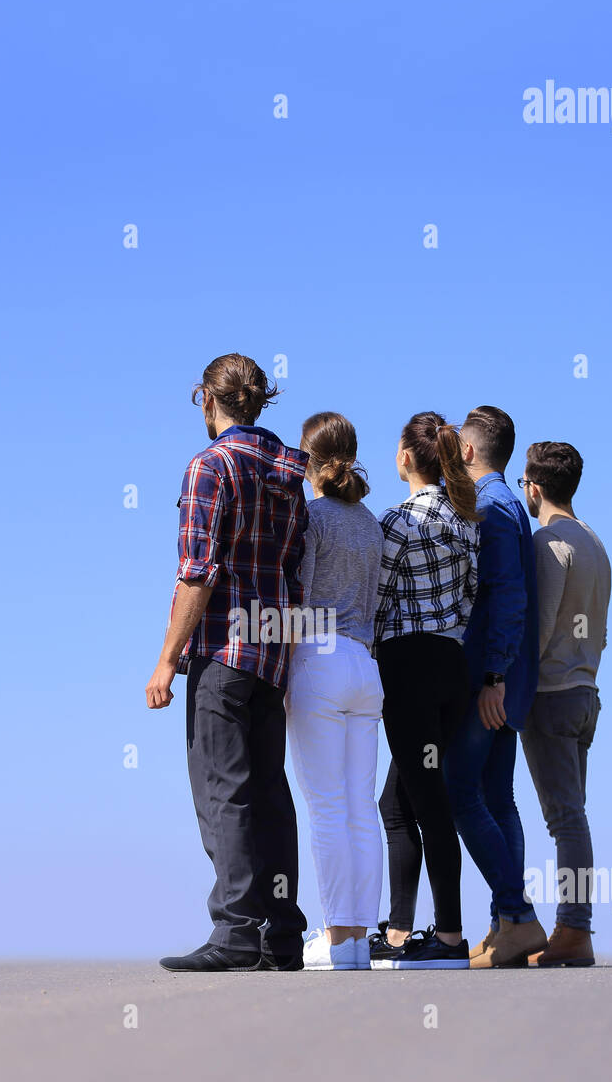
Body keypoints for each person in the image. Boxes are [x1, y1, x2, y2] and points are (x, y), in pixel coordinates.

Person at [146, 353, 309, 972]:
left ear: (205, 399)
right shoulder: (290, 469)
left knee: (224, 795)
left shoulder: (210, 467)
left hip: (222, 652)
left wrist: (166, 662)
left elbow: (197, 573)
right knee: (270, 794)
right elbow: (294, 569)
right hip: (272, 653)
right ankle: (281, 934)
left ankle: (236, 930)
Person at [369, 413, 479, 969]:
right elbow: (470, 596)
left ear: (406, 458)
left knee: (429, 804)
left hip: (408, 665)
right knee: (399, 801)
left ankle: (451, 938)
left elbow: (377, 599)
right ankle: (398, 932)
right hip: (452, 665)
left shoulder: (395, 522)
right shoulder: (466, 519)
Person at [442, 405, 548, 969]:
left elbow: (507, 596)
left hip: (491, 678)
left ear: (467, 451)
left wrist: (492, 678)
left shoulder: (490, 507)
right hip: (507, 678)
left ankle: (519, 915)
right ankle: (504, 926)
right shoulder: (508, 502)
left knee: (461, 792)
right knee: (498, 797)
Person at [285, 413, 385, 971]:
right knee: (358, 807)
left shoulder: (311, 517)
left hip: (320, 657)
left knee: (324, 807)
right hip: (364, 666)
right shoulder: (370, 524)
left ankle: (335, 935)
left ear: (309, 459)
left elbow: (301, 598)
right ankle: (357, 940)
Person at [519, 442, 611, 966]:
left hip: (552, 697)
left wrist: (505, 688)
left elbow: (540, 628)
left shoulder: (549, 543)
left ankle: (574, 931)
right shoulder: (594, 542)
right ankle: (574, 929)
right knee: (573, 815)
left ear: (534, 486)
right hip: (586, 692)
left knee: (565, 819)